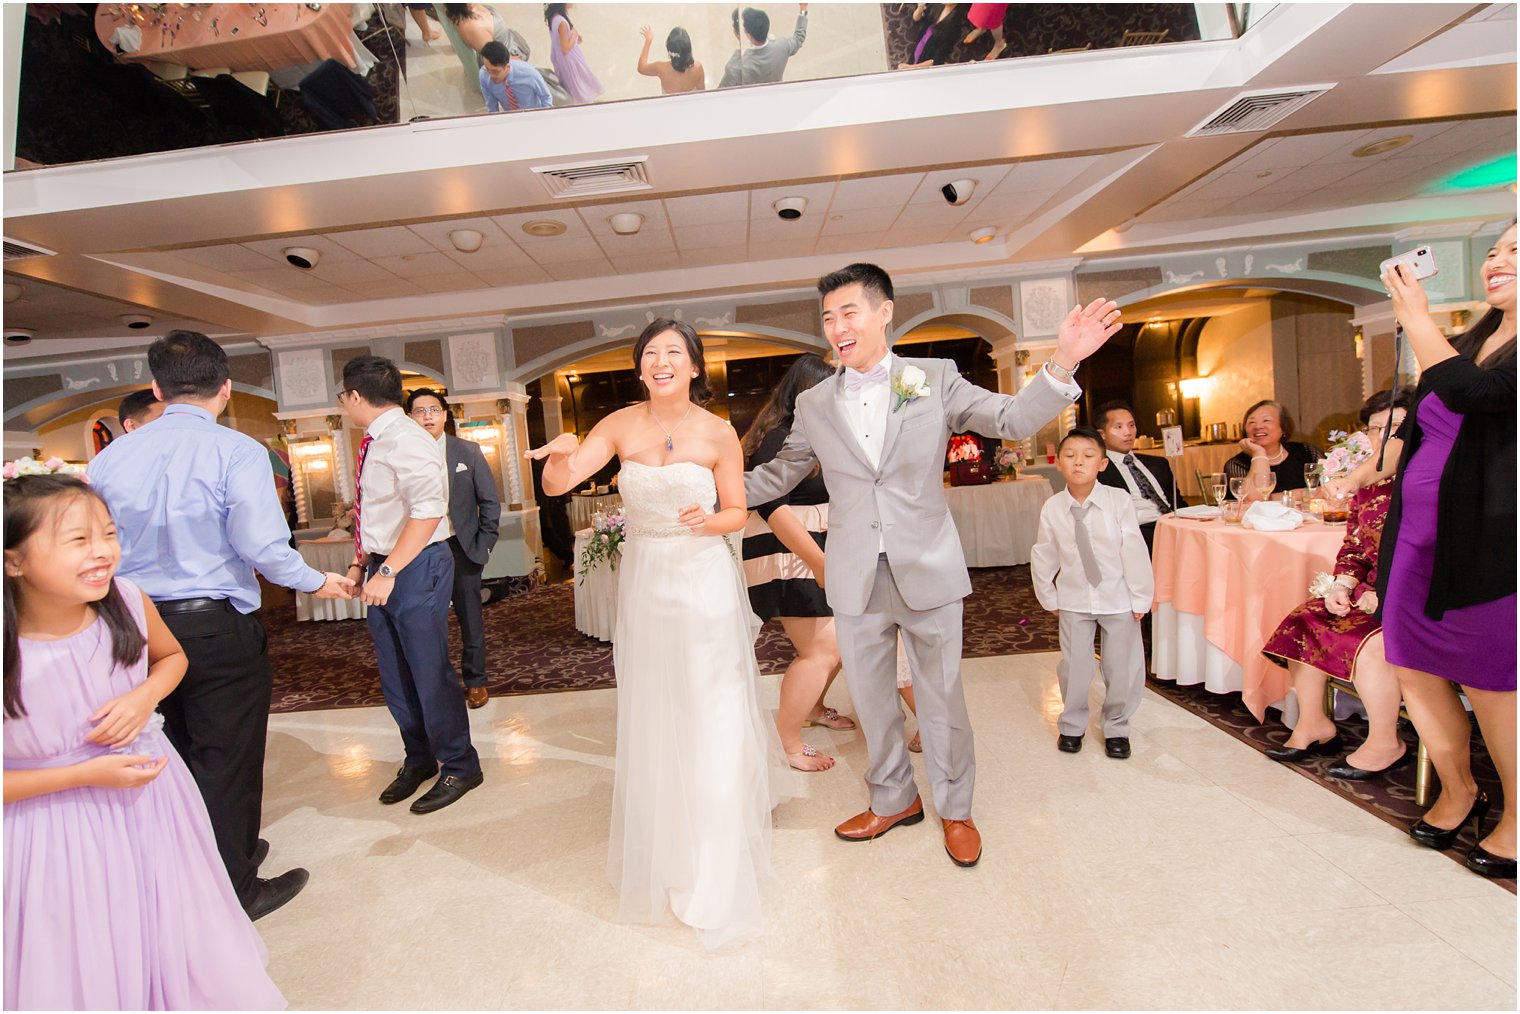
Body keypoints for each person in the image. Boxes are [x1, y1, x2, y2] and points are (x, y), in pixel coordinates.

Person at [745, 263, 1121, 867]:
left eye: (849, 313)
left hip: (928, 567)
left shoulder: (933, 378)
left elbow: (1010, 420)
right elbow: (778, 473)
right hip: (855, 574)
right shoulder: (815, 402)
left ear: (884, 311)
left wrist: (1062, 364)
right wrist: (703, 488)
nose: (837, 327)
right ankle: (893, 799)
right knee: (872, 698)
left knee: (941, 698)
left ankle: (956, 809)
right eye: (828, 318)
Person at [526, 319, 790, 947]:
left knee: (711, 704)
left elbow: (736, 511)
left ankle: (716, 837)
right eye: (650, 354)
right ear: (640, 368)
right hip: (646, 584)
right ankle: (670, 835)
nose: (661, 361)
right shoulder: (618, 425)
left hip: (701, 580)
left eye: (674, 352)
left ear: (694, 366)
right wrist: (560, 455)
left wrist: (709, 523)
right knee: (657, 704)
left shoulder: (719, 431)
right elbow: (558, 485)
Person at [88, 331, 352, 921]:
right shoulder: (236, 451)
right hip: (210, 626)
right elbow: (260, 542)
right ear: (226, 388)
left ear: (156, 389)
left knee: (169, 752)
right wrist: (316, 582)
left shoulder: (108, 458)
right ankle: (236, 888)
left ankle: (192, 864)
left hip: (130, 628)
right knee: (225, 758)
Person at [2, 474, 286, 1011]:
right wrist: (84, 773)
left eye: (108, 534)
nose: (102, 553)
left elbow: (172, 657)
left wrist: (143, 698)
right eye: (77, 540)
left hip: (154, 802)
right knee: (82, 954)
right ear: (13, 560)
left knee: (168, 927)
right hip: (52, 828)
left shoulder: (127, 600)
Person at [1379, 222, 1516, 878]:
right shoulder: (1473, 337)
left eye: (1516, 251)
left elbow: (1477, 394)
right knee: (1414, 667)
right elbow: (1422, 405)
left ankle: (1518, 815)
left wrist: (1411, 313)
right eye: (1495, 251)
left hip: (1488, 540)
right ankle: (1461, 790)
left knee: (1491, 682)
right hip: (1416, 536)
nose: (1497, 261)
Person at [338, 357, 484, 815]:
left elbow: (427, 513)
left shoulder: (407, 440)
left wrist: (388, 571)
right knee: (396, 674)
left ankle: (461, 763)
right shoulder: (375, 441)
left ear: (356, 396)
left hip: (415, 564)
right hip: (385, 563)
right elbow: (380, 514)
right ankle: (419, 757)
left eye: (343, 397)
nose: (343, 404)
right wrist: (363, 563)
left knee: (428, 669)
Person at [1260, 389, 1410, 778]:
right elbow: (1356, 546)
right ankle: (1314, 723)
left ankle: (1385, 741)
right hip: (1368, 592)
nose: (1382, 437)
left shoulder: (1423, 482)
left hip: (1410, 596)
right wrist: (1342, 585)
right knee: (1307, 617)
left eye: (1393, 429)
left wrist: (1384, 592)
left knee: (1374, 645)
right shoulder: (1368, 486)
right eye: (1375, 429)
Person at [741, 353, 856, 772]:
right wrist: (820, 560)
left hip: (815, 551)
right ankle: (788, 743)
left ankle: (814, 706)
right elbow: (772, 506)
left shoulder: (815, 435)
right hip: (789, 553)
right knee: (824, 648)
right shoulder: (780, 437)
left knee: (836, 646)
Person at [1030, 427, 1153, 759]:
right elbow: (1044, 552)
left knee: (1121, 665)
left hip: (1117, 597)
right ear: (1058, 463)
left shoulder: (1118, 500)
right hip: (1073, 599)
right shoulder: (1053, 508)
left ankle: (1117, 726)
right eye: (1070, 456)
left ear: (1102, 463)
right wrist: (1048, 595)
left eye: (1088, 456)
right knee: (1075, 665)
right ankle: (1072, 724)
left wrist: (1140, 596)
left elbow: (1133, 548)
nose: (1078, 463)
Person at [406, 388, 501, 710]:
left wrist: (484, 545)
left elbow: (489, 502)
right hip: (418, 549)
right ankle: (436, 684)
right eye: (420, 411)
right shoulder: (402, 456)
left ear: (445, 414)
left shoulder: (468, 451)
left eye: (434, 409)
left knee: (470, 620)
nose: (428, 416)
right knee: (426, 622)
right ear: (409, 418)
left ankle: (476, 682)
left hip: (461, 548)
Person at [1093, 399, 1185, 553]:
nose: (1128, 432)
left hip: (1174, 525)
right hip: (1139, 533)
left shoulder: (1159, 463)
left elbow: (1179, 502)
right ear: (1102, 434)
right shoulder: (1099, 470)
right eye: (1118, 427)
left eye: (1131, 425)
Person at [1223, 399, 1322, 496]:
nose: (1258, 426)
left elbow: (1332, 488)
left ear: (1283, 428)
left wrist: (1273, 498)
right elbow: (1253, 501)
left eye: (1266, 420)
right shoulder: (1236, 464)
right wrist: (1259, 454)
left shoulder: (1307, 452)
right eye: (1252, 422)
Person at [719, 5, 808, 88]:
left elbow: (719, 95)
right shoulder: (781, 47)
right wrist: (803, 9)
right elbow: (799, 37)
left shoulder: (736, 66)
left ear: (747, 34)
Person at [545, 4, 603, 104]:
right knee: (580, 88)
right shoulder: (562, 22)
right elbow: (565, 49)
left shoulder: (554, 17)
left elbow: (559, 39)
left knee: (575, 88)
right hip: (570, 61)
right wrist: (574, 34)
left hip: (562, 60)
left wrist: (573, 33)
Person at [479, 39, 553, 112]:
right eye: (487, 69)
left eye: (495, 72)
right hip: (511, 118)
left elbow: (546, 97)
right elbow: (492, 108)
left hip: (533, 115)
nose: (491, 76)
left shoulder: (529, 73)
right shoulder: (483, 75)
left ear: (507, 67)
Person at [637, 24, 705, 94]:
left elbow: (641, 68)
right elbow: (702, 93)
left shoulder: (661, 69)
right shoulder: (698, 68)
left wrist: (648, 40)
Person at [899, 3, 968, 69]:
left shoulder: (954, 26)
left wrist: (911, 67)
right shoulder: (936, 6)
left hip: (925, 67)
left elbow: (937, 60)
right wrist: (920, 8)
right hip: (917, 52)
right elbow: (916, 20)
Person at [444, 3, 513, 56]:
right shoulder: (473, 28)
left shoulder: (469, 8)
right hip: (508, 55)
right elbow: (496, 60)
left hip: (510, 42)